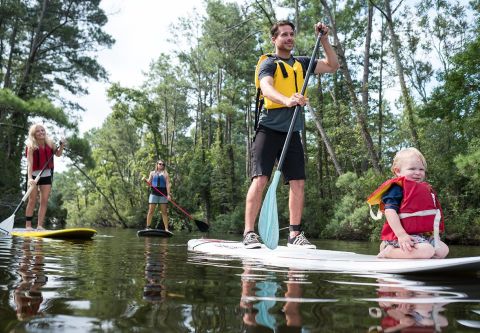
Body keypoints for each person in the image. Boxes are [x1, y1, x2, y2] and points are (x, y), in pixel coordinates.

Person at [243, 20, 340, 249]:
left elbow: (332, 65)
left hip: (292, 132)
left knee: (298, 182)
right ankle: (249, 232)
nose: (289, 38)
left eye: (291, 34)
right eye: (284, 34)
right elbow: (266, 88)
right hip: (268, 130)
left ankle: (295, 235)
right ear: (274, 39)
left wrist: (324, 40)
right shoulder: (268, 64)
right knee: (261, 180)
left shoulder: (302, 63)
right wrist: (287, 100)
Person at [367, 148, 449, 259]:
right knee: (427, 250)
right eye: (412, 169)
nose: (418, 172)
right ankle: (389, 251)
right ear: (397, 171)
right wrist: (401, 235)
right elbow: (389, 211)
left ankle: (419, 257)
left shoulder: (425, 189)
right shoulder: (397, 188)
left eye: (421, 169)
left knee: (443, 250)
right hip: (400, 236)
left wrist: (435, 236)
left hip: (421, 236)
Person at [25, 123, 65, 231]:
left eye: (42, 130)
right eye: (38, 131)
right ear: (34, 134)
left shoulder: (50, 143)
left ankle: (39, 225)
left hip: (47, 174)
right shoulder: (31, 146)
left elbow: (58, 154)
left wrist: (61, 146)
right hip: (34, 175)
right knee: (32, 199)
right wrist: (30, 178)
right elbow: (29, 163)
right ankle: (28, 226)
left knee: (44, 201)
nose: (41, 132)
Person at [144, 160, 171, 230]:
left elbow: (168, 184)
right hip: (154, 193)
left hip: (163, 194)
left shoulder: (166, 174)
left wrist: (168, 195)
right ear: (157, 164)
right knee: (151, 211)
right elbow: (149, 182)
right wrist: (145, 180)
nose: (161, 165)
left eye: (163, 164)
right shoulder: (152, 173)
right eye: (160, 164)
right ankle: (148, 227)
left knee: (164, 212)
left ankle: (166, 229)